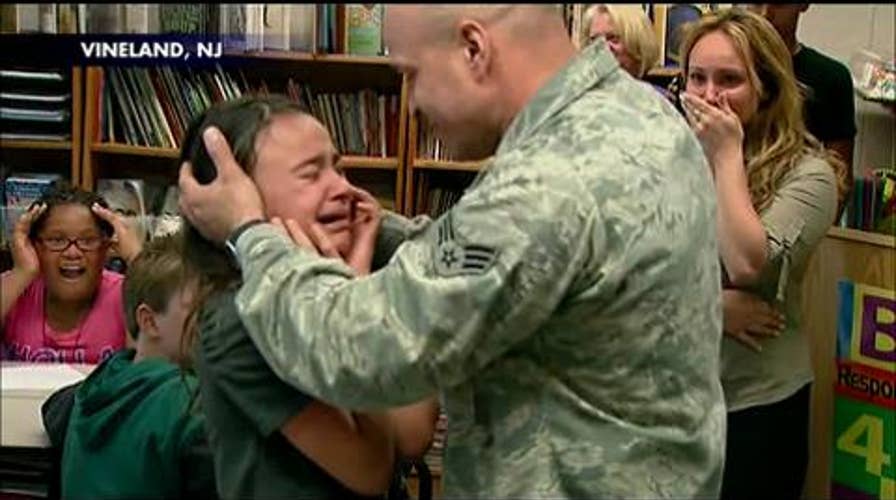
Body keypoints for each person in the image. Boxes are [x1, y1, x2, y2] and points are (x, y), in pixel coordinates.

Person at [178, 5, 726, 498]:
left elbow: (358, 349)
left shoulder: (546, 183)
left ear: (473, 49)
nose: (410, 103)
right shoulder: (638, 115)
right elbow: (509, 259)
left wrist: (249, 231)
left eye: (412, 74)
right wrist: (369, 223)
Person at [179, 95, 438, 499]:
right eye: (311, 174)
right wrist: (354, 302)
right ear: (239, 199)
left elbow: (411, 436)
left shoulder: (361, 274)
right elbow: (370, 467)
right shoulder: (239, 319)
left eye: (337, 167)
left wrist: (359, 295)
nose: (344, 187)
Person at [678, 8, 846, 499]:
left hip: (759, 408)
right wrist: (709, 308)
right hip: (675, 402)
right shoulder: (670, 158)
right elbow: (621, 275)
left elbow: (749, 265)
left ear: (767, 87)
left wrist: (727, 156)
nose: (709, 96)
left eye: (729, 80)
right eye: (697, 78)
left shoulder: (812, 174)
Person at [41, 231, 216, 499]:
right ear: (149, 321)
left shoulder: (91, 391)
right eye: (203, 311)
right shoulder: (195, 408)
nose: (220, 323)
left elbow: (53, 407)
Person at [1, 183, 141, 363]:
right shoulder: (15, 288)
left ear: (106, 247)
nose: (72, 253)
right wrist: (22, 272)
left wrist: (135, 258)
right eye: (57, 240)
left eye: (88, 240)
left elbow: (157, 359)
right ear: (35, 246)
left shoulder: (126, 293)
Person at [747, 3, 856, 211]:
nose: (765, 13)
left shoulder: (829, 77)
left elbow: (841, 178)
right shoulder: (728, 68)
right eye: (756, 3)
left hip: (795, 209)